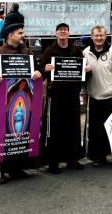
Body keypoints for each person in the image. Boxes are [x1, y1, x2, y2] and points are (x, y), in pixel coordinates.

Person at [0, 22, 42, 184]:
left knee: (21, 134)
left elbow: (37, 71)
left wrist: (36, 72)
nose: (23, 35)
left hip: (24, 102)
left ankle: (16, 168)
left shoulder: (27, 52)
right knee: (2, 134)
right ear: (10, 35)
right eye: (20, 33)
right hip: (4, 103)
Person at [39, 23, 90, 174]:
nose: (63, 32)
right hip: (55, 96)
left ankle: (72, 159)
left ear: (69, 33)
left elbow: (83, 73)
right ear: (55, 33)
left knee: (73, 128)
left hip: (72, 95)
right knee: (55, 129)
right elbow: (40, 70)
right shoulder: (49, 51)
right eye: (60, 30)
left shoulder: (76, 51)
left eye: (65, 30)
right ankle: (53, 162)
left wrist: (86, 70)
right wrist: (45, 69)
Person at [82, 25, 112, 169]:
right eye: (96, 35)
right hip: (94, 97)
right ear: (91, 37)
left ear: (105, 36)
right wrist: (84, 93)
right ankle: (99, 157)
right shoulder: (85, 53)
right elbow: (83, 77)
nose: (99, 38)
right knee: (98, 132)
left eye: (101, 35)